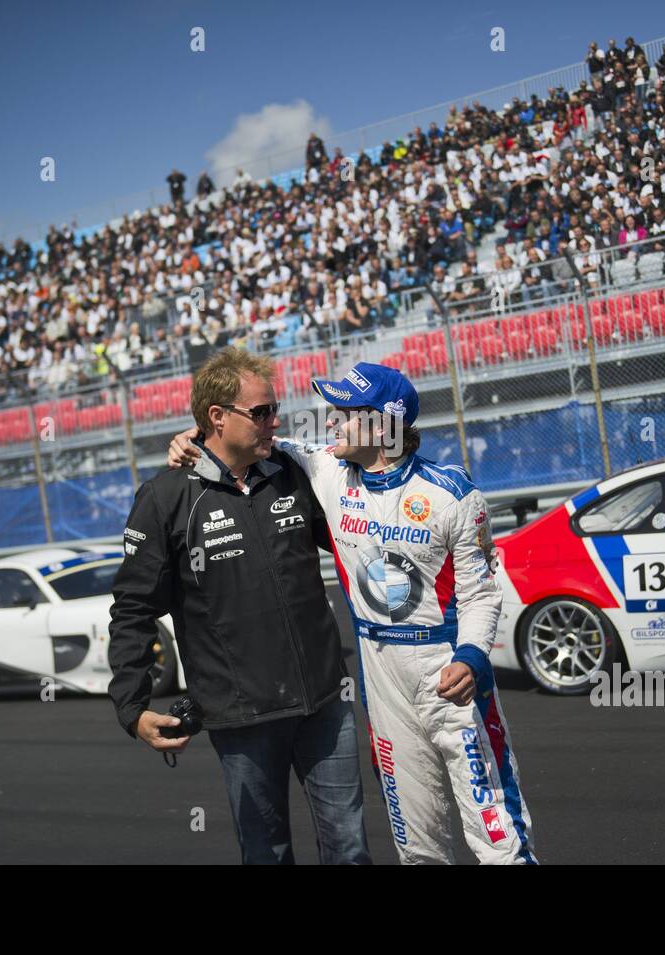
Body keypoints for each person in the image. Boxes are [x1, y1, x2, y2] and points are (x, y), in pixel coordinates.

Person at [168, 362, 538, 865]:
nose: (332, 424)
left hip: (448, 669)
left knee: (498, 838)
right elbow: (233, 441)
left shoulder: (453, 493)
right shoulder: (325, 470)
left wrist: (472, 656)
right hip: (380, 674)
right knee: (418, 847)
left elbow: (481, 593)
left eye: (345, 413)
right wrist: (191, 435)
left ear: (384, 424)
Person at [107, 347, 371, 866]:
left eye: (275, 409)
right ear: (217, 417)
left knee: (350, 849)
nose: (275, 421)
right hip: (240, 714)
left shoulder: (292, 474)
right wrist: (132, 707)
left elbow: (357, 528)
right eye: (262, 412)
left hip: (324, 698)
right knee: (266, 854)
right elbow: (133, 607)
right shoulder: (165, 497)